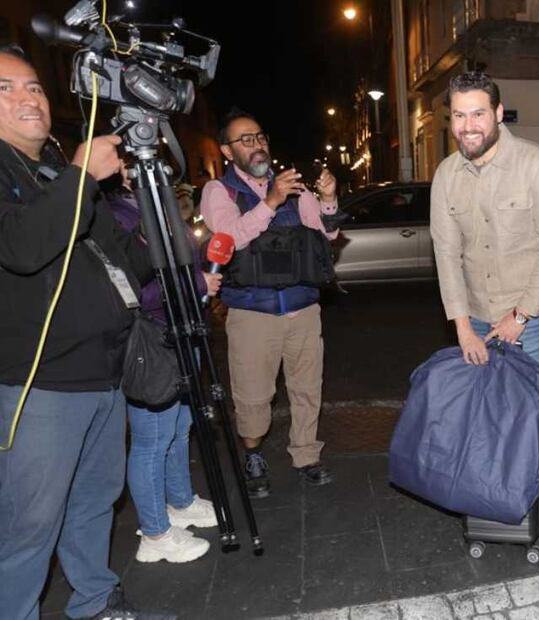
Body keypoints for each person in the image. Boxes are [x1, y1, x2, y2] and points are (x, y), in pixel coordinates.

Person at [0, 46, 169, 619]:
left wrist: (157, 217)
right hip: (40, 384)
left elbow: (121, 259)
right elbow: (22, 247)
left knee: (95, 502)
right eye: (5, 88)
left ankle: (94, 603)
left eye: (34, 88)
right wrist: (79, 174)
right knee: (29, 525)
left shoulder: (52, 167)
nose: (28, 98)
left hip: (104, 371)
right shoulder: (31, 173)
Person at [200, 110, 340, 498]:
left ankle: (306, 455)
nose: (257, 144)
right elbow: (231, 237)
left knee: (307, 388)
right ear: (228, 151)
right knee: (253, 394)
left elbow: (326, 237)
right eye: (245, 140)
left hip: (303, 309)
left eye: (260, 137)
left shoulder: (294, 187)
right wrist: (271, 202)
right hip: (252, 312)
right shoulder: (220, 191)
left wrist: (328, 201)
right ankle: (253, 453)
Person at [106, 172, 222, 564]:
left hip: (181, 330)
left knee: (180, 425)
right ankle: (154, 533)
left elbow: (180, 263)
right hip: (153, 337)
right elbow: (135, 285)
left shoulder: (155, 205)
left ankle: (180, 501)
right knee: (152, 438)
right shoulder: (114, 214)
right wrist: (200, 285)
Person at [430, 71, 539, 374]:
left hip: (530, 318)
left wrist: (520, 316)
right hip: (475, 318)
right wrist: (463, 330)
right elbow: (447, 254)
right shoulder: (445, 175)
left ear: (498, 113)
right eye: (459, 115)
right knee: (485, 413)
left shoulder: (535, 164)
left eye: (478, 114)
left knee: (527, 411)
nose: (468, 127)